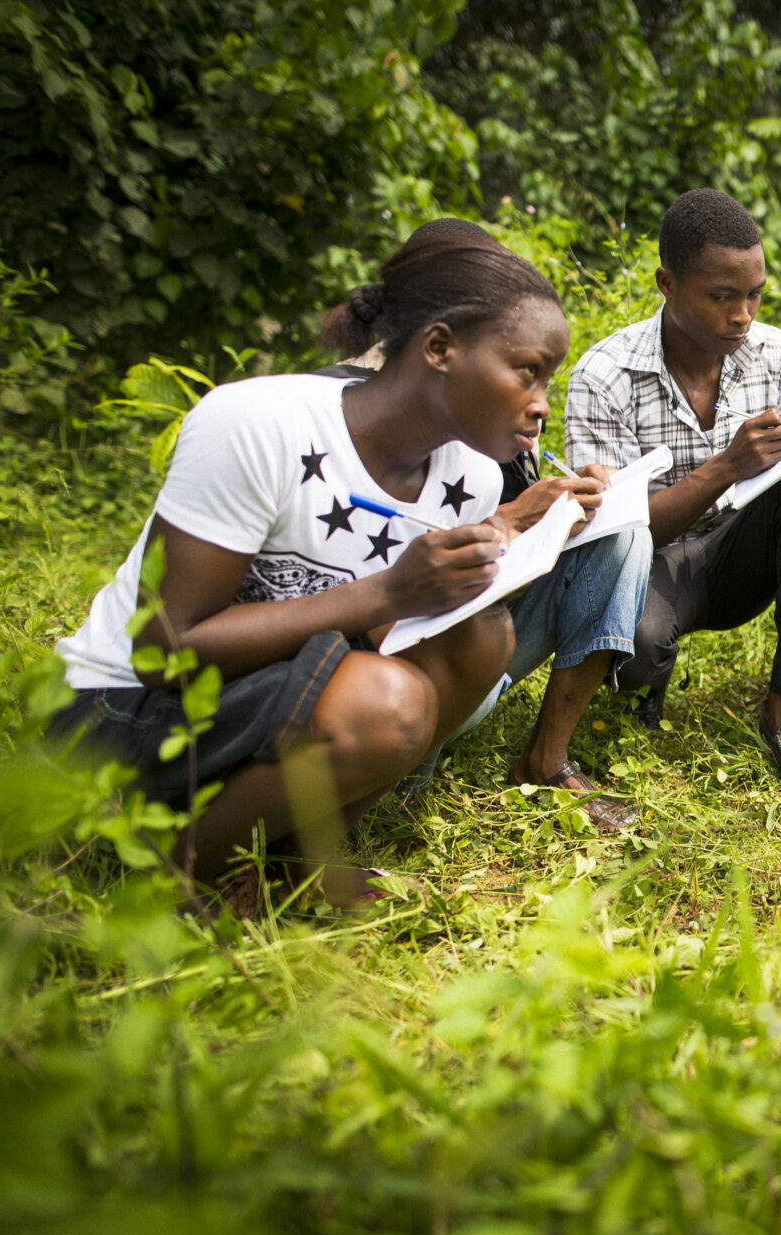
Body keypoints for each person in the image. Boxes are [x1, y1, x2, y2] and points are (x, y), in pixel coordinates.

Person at [50, 234, 603, 906]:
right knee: (383, 703)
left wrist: (509, 536)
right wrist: (390, 591)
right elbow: (164, 648)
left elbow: (394, 631)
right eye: (527, 370)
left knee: (481, 635)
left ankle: (296, 859)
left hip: (264, 701)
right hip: (125, 714)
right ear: (438, 348)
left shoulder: (472, 477)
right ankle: (186, 872)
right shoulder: (259, 423)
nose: (543, 402)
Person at [318, 219, 650, 830]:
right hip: (374, 667)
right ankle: (397, 766)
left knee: (622, 537)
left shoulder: (491, 393)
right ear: (439, 337)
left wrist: (551, 510)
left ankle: (546, 758)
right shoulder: (332, 413)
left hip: (474, 636)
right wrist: (508, 522)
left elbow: (488, 533)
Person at [563, 188, 781, 791]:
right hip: (648, 564)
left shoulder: (772, 351)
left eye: (754, 295)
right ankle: (642, 684)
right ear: (667, 283)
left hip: (741, 555)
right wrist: (725, 466)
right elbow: (612, 534)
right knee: (636, 647)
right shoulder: (604, 375)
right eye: (722, 297)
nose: (742, 315)